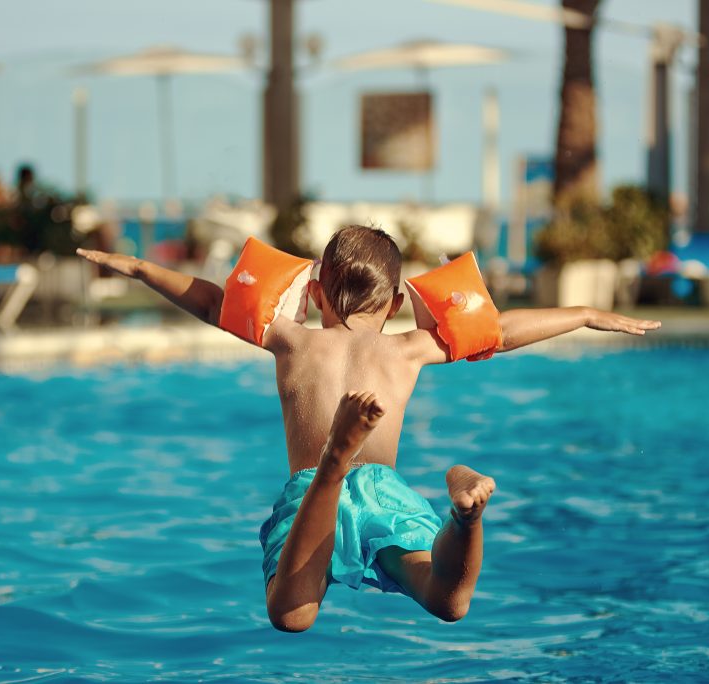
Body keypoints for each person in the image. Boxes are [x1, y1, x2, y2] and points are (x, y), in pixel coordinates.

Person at [76, 225, 661, 632]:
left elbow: (209, 301)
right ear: (397, 301)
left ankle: (334, 458)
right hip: (386, 491)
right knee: (446, 599)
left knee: (292, 615)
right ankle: (466, 513)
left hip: (314, 493)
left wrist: (137, 267)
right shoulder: (408, 349)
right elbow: (501, 331)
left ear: (317, 292)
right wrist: (584, 314)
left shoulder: (292, 339)